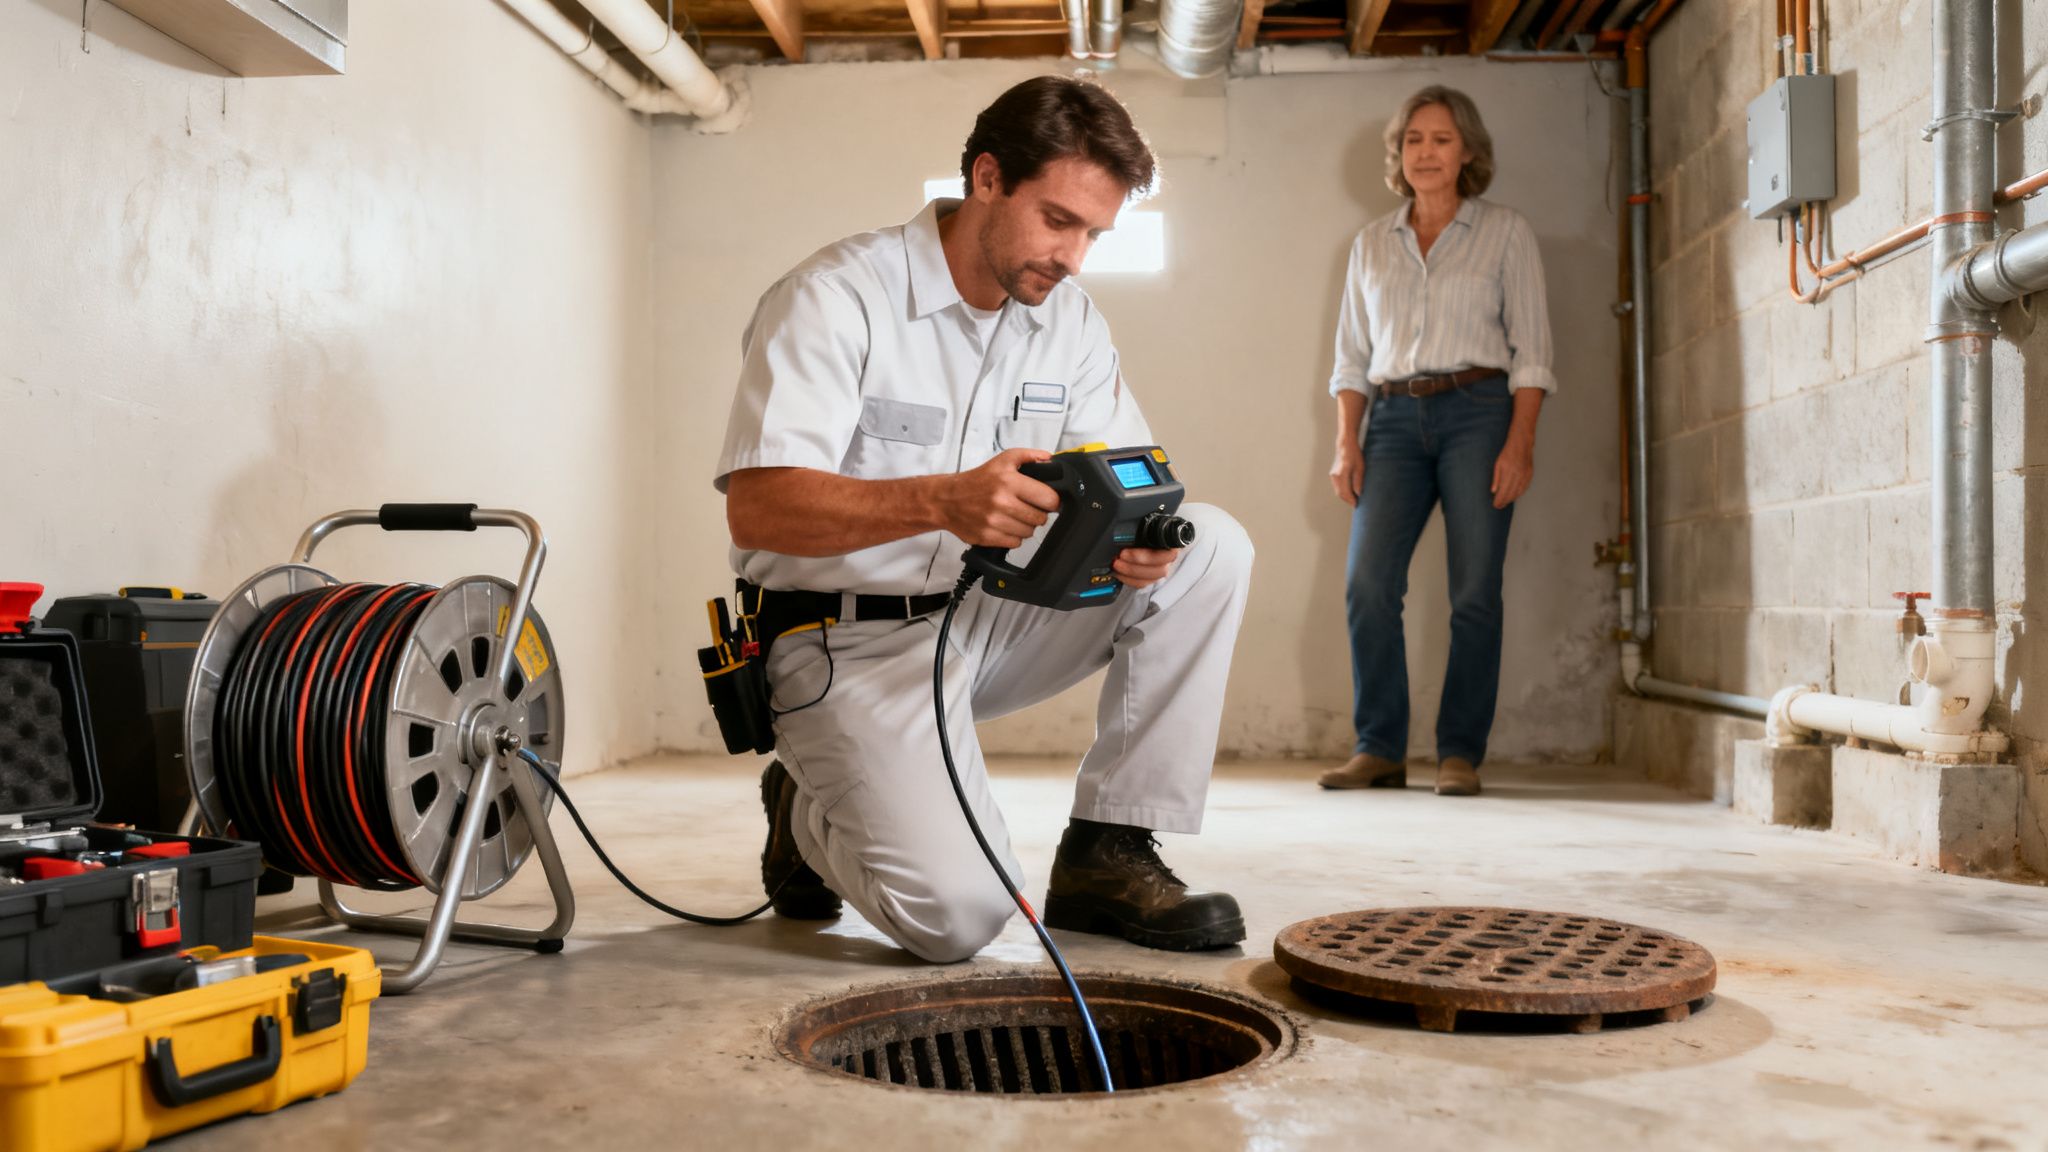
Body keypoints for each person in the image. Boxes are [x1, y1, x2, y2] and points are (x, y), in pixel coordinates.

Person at [714, 76, 1254, 963]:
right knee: (958, 920)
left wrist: (1136, 543)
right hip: (840, 644)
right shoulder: (834, 297)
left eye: (1094, 234)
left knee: (1211, 545)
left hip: (984, 617)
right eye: (1058, 220)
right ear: (988, 178)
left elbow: (1123, 473)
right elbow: (759, 507)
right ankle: (804, 809)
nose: (1073, 256)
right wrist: (939, 499)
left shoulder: (1066, 320)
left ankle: (1105, 850)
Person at [1317, 85, 1554, 798]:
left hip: (1479, 413)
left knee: (1475, 591)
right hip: (1388, 422)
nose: (1425, 152)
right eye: (1413, 139)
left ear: (1468, 152)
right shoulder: (1370, 244)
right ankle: (1379, 747)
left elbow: (1534, 351)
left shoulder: (1505, 231)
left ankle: (1460, 753)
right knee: (1367, 586)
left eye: (1441, 139)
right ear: (1399, 154)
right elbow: (1351, 357)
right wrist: (1345, 443)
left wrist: (1520, 444)